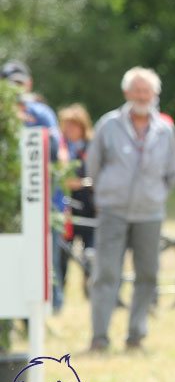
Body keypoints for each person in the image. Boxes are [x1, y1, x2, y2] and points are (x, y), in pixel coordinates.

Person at [86, 67, 175, 351]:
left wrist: (157, 194)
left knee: (148, 274)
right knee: (106, 274)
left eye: (147, 91)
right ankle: (99, 337)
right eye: (137, 90)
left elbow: (172, 171)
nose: (142, 96)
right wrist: (105, 193)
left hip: (150, 213)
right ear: (126, 92)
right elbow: (93, 163)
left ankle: (136, 335)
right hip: (113, 210)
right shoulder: (108, 124)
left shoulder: (165, 129)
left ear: (154, 95)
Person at [3, 60, 69, 311]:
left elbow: (57, 153)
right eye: (11, 84)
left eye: (20, 83)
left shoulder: (41, 113)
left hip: (42, 200)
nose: (16, 89)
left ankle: (51, 308)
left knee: (46, 258)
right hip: (8, 203)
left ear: (29, 84)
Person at [58, 104, 97, 295]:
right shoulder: (60, 146)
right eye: (66, 125)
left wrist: (82, 182)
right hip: (66, 206)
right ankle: (61, 291)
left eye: (74, 125)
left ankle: (89, 288)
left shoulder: (93, 145)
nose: (70, 129)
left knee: (91, 252)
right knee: (64, 253)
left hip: (90, 204)